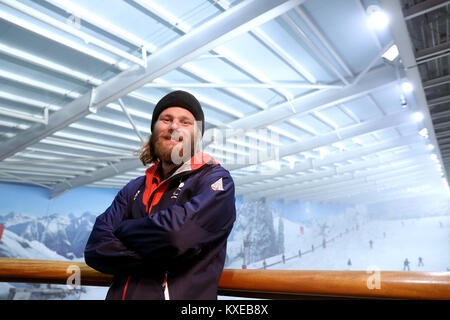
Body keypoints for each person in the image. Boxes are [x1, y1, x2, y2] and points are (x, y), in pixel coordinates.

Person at [84, 90, 236, 300]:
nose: (174, 127)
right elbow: (96, 248)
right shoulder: (134, 188)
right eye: (166, 119)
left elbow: (176, 236)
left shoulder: (216, 181)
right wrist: (161, 253)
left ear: (197, 135)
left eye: (185, 122)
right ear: (154, 129)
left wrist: (122, 230)